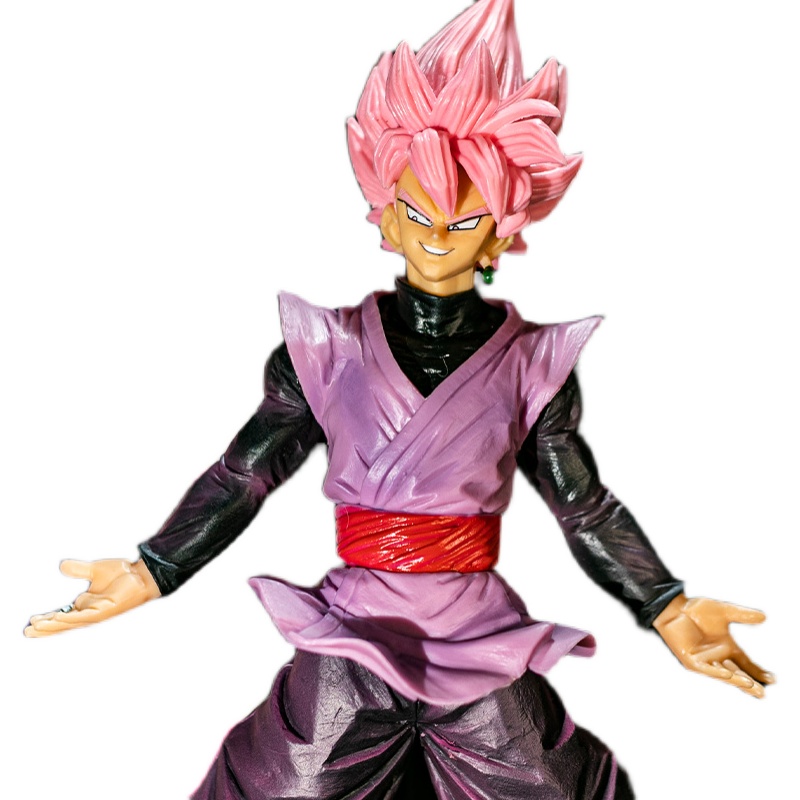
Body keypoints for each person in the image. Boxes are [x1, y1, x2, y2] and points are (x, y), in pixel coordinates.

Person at [25, 1, 772, 797]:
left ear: (503, 231)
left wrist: (665, 604)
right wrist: (154, 567)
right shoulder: (326, 351)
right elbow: (244, 474)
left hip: (475, 629)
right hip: (354, 628)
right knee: (288, 784)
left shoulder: (531, 364)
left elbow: (582, 506)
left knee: (549, 787)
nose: (438, 234)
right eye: (418, 211)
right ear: (385, 210)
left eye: (466, 217)